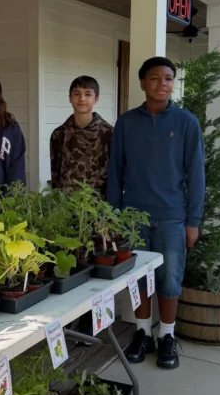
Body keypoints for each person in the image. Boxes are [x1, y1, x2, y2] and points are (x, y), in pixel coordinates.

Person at [107, 57, 205, 370]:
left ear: (172, 83)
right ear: (142, 83)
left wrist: (193, 221)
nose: (161, 84)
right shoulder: (126, 122)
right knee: (138, 281)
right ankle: (141, 335)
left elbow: (197, 175)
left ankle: (166, 337)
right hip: (133, 218)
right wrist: (114, 217)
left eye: (167, 78)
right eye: (154, 78)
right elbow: (116, 172)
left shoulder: (186, 122)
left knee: (169, 280)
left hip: (172, 217)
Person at [49, 75, 114, 196]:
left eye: (88, 94)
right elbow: (55, 174)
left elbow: (116, 173)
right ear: (70, 98)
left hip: (99, 206)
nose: (82, 99)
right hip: (66, 205)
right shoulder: (59, 134)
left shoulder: (109, 133)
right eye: (77, 93)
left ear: (96, 99)